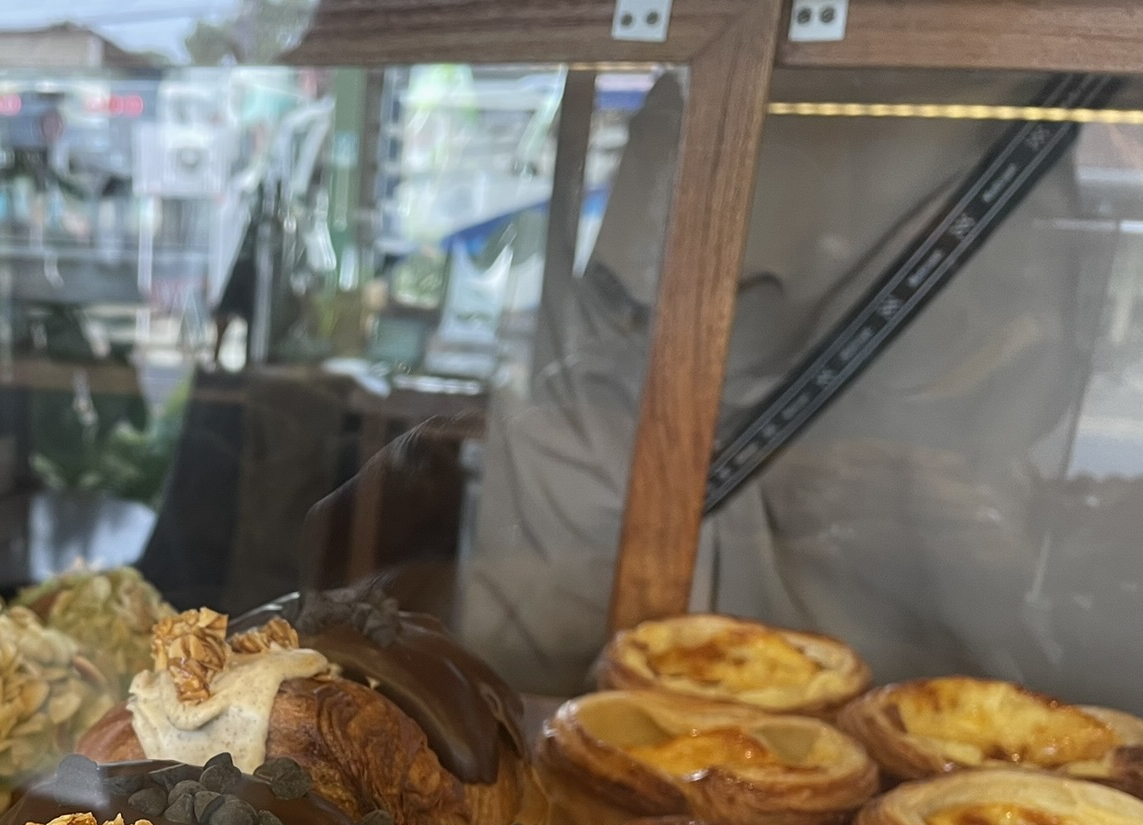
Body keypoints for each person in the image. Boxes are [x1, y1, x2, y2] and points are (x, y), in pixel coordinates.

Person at [457, 71, 1112, 703]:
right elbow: (618, 334)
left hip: (890, 597)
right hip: (675, 542)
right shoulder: (711, 85)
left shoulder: (723, 82)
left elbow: (614, 332)